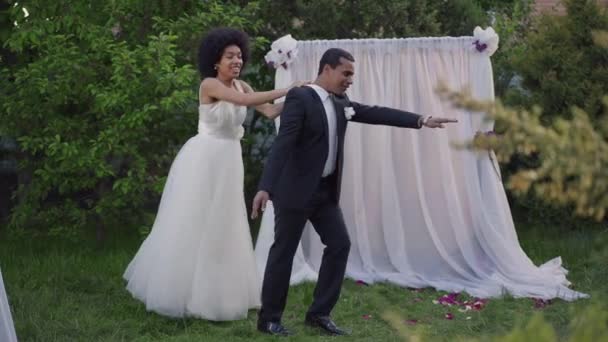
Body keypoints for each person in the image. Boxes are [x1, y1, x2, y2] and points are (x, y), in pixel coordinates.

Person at [251, 47, 457, 335]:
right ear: (326, 69)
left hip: (324, 193)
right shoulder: (301, 97)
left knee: (339, 244)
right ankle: (269, 319)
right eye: (346, 73)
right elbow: (283, 143)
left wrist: (420, 119)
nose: (350, 80)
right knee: (283, 253)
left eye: (352, 75)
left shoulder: (340, 101)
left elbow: (374, 113)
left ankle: (319, 314)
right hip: (294, 192)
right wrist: (266, 187)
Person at [123, 28, 306, 321]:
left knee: (224, 223)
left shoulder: (243, 86)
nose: (237, 60)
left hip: (230, 161)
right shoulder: (210, 85)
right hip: (204, 159)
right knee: (193, 219)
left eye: (239, 56)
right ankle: (179, 289)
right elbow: (243, 103)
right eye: (229, 56)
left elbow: (270, 112)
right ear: (215, 61)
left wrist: (299, 97)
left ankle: (217, 293)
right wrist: (288, 88)